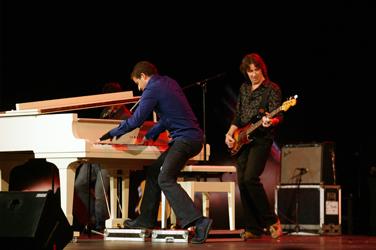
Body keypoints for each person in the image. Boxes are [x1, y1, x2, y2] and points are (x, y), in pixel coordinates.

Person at [99, 61, 212, 244]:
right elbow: (169, 116)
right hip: (191, 138)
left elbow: (136, 120)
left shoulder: (153, 89)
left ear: (143, 76)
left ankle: (199, 222)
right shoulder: (169, 83)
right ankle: (145, 220)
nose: (139, 88)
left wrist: (113, 132)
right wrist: (153, 132)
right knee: (154, 171)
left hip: (185, 140)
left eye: (138, 83)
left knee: (165, 179)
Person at [224, 53, 283, 239]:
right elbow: (239, 116)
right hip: (242, 139)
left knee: (250, 178)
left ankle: (271, 221)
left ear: (262, 69)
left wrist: (270, 121)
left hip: (261, 139)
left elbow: (278, 115)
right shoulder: (244, 88)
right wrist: (229, 133)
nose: (253, 74)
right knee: (242, 181)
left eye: (256, 70)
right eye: (250, 71)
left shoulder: (272, 89)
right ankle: (253, 228)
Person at [74, 82, 131, 231]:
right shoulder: (105, 112)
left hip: (110, 157)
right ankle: (95, 215)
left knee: (100, 193)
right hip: (96, 154)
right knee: (79, 184)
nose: (108, 104)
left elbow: (125, 139)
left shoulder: (126, 115)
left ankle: (101, 224)